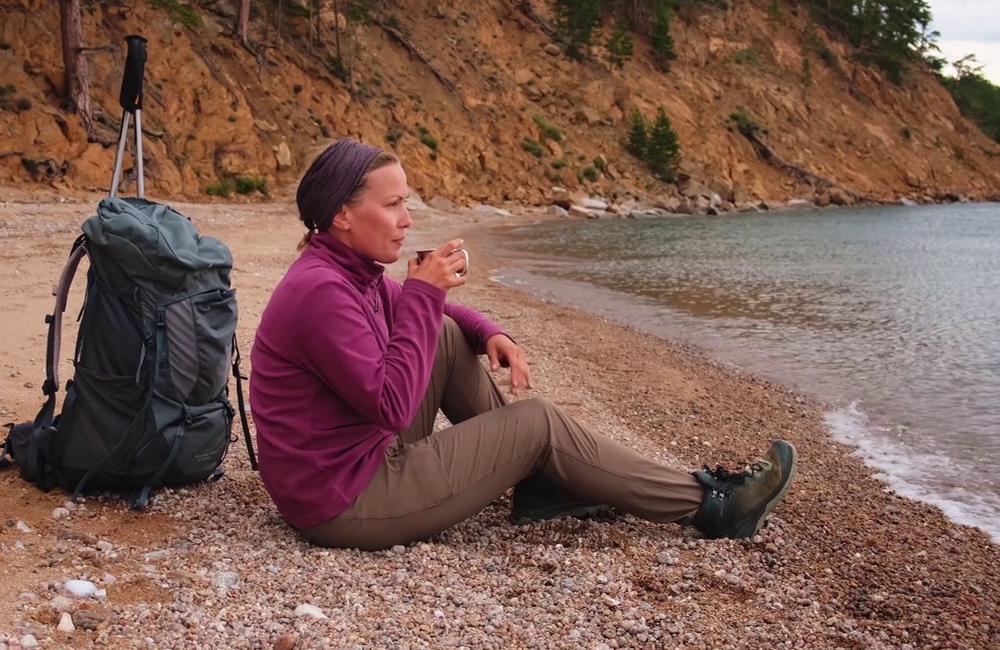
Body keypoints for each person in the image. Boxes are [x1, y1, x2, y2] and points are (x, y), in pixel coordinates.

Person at [247, 137, 797, 551]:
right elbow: (390, 403)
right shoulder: (321, 291)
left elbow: (431, 319)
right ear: (342, 214)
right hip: (344, 500)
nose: (407, 219)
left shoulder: (347, 272)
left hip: (354, 459)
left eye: (406, 203)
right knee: (535, 421)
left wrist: (489, 332)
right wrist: (422, 291)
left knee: (441, 331)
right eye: (392, 206)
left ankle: (542, 483)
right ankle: (711, 505)